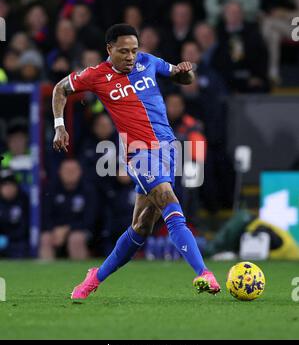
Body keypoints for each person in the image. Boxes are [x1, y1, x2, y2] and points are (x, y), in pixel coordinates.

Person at [52, 23, 221, 299]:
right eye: (123, 51)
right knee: (170, 203)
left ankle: (94, 278)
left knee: (141, 227)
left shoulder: (149, 61)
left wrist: (184, 71)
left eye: (133, 50)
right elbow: (60, 89)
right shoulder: (96, 75)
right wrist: (60, 125)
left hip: (167, 149)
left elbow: (183, 80)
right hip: (139, 153)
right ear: (110, 49)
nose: (130, 56)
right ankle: (204, 273)